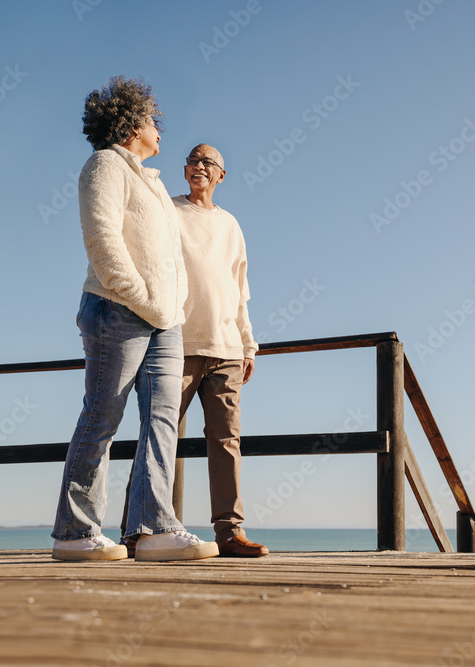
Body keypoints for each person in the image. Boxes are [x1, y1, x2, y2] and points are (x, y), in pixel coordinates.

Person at [51, 77, 219, 563]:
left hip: (165, 321)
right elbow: (103, 241)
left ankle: (152, 529)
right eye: (153, 122)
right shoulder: (105, 165)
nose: (160, 131)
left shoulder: (155, 183)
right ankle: (75, 532)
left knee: (163, 422)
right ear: (129, 124)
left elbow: (170, 258)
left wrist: (174, 305)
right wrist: (142, 297)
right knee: (103, 416)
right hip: (116, 310)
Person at [123, 143, 267, 557]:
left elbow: (240, 293)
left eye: (208, 162)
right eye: (193, 160)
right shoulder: (167, 211)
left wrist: (248, 346)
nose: (199, 166)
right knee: (158, 435)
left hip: (226, 348)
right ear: (185, 170)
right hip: (174, 343)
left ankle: (230, 532)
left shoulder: (232, 226)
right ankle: (137, 530)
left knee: (226, 441)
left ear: (221, 175)